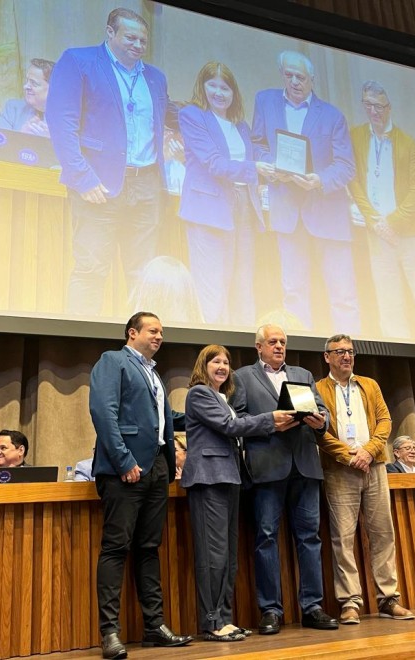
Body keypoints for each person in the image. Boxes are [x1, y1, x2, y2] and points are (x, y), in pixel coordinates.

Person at [47, 8, 170, 316]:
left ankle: (141, 345)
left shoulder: (155, 78)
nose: (138, 45)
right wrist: (82, 177)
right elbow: (61, 122)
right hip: (98, 185)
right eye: (130, 37)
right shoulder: (78, 61)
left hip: (146, 187)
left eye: (143, 40)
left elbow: (166, 120)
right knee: (91, 270)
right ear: (110, 32)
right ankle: (79, 342)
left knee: (143, 275)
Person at [88, 312, 192, 658]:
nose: (159, 336)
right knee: (116, 547)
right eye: (153, 330)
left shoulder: (153, 372)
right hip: (125, 470)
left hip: (158, 469)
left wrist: (205, 411)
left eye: (162, 332)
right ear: (132, 333)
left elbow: (164, 419)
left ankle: (154, 626)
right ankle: (110, 633)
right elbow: (103, 412)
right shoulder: (113, 361)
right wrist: (123, 460)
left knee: (148, 547)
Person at [183, 345, 296, 641]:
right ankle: (212, 621)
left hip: (230, 478)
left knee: (228, 556)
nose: (223, 366)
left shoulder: (222, 397)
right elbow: (228, 426)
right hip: (209, 479)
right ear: (203, 366)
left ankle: (224, 618)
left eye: (226, 362)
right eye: (215, 361)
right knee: (213, 555)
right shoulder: (199, 393)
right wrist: (270, 419)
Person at [231, 324, 338, 635]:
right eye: (272, 342)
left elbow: (323, 412)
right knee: (266, 537)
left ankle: (313, 607)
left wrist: (320, 421)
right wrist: (270, 422)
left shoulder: (303, 374)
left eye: (282, 342)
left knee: (310, 537)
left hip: (305, 466)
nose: (279, 346)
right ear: (259, 347)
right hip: (267, 468)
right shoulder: (242, 377)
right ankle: (271, 610)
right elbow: (237, 420)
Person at [250, 51, 359, 335]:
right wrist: (271, 166)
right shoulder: (265, 101)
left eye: (301, 77)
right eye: (289, 75)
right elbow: (257, 144)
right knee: (293, 291)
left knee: (342, 294)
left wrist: (319, 180)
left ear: (312, 79)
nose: (295, 82)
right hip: (287, 211)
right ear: (281, 74)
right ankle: (301, 350)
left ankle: (347, 353)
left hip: (327, 213)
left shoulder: (333, 115)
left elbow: (346, 166)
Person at [315, 334, 414, 624]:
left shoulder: (369, 384)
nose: (346, 356)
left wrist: (369, 452)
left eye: (350, 351)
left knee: (383, 533)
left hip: (375, 465)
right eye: (339, 352)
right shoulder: (318, 388)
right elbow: (319, 432)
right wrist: (348, 456)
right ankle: (350, 602)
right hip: (339, 469)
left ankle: (388, 599)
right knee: (342, 538)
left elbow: (385, 421)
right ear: (327, 357)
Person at [347, 80, 415, 343]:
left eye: (379, 106)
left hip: (413, 235)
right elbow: (353, 182)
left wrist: (390, 222)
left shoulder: (407, 143)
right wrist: (374, 222)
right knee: (388, 302)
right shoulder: (356, 136)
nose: (373, 111)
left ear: (389, 107)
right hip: (377, 235)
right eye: (368, 105)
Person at [179, 61, 269, 326]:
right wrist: (256, 169)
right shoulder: (192, 116)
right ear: (202, 86)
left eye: (225, 88)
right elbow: (214, 163)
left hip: (244, 207)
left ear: (234, 92)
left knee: (243, 283)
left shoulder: (240, 126)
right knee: (211, 284)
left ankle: (243, 342)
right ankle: (212, 343)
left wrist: (278, 166)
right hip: (208, 210)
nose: (219, 93)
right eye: (213, 85)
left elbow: (256, 156)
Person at [0, 58, 55, 136]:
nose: (25, 86)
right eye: (27, 81)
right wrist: (21, 136)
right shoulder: (13, 108)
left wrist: (49, 140)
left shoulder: (67, 118)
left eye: (33, 83)